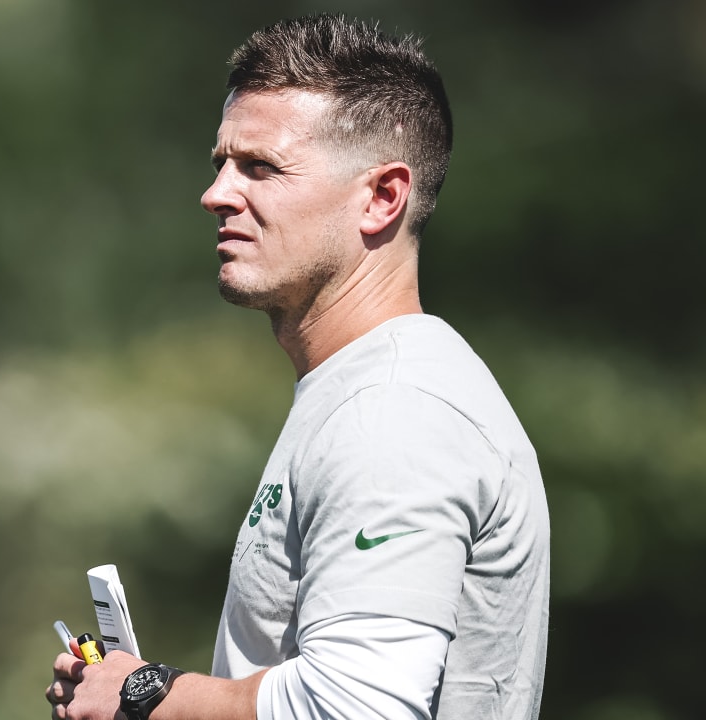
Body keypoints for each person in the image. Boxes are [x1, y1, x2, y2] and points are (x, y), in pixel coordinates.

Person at [46, 13, 549, 720]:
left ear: (381, 198)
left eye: (261, 167)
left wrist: (144, 693)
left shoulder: (396, 410)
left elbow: (355, 707)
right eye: (221, 162)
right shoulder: (364, 392)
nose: (217, 193)